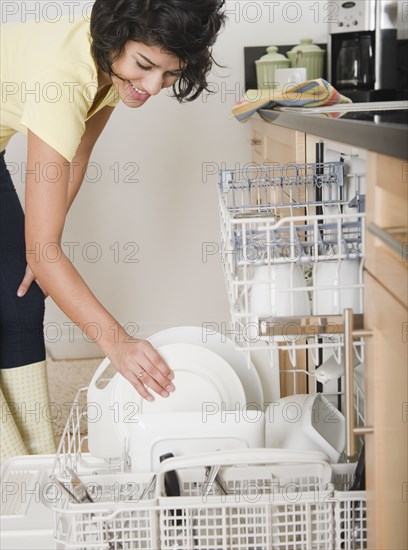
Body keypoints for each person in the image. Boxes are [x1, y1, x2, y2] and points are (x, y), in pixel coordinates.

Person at [0, 0, 226, 458]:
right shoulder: (63, 79)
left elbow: (76, 156)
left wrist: (41, 251)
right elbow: (42, 252)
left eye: (168, 74)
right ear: (114, 39)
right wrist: (117, 345)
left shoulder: (110, 69)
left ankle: (35, 462)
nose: (151, 87)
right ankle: (10, 464)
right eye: (144, 66)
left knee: (20, 302)